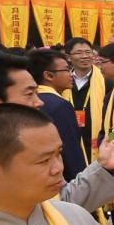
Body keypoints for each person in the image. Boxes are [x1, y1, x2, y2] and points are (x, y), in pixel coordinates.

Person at [0, 51, 114, 214]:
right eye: (29, 94)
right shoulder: (57, 108)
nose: (39, 102)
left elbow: (60, 202)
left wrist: (103, 168)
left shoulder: (28, 142)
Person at [29, 49, 87, 181]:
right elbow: (70, 151)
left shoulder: (33, 99)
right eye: (66, 70)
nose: (71, 75)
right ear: (49, 75)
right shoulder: (58, 105)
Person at [64, 38, 105, 162]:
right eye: (79, 53)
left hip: (95, 135)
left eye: (88, 52)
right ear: (68, 57)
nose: (85, 56)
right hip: (69, 132)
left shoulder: (105, 80)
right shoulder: (62, 80)